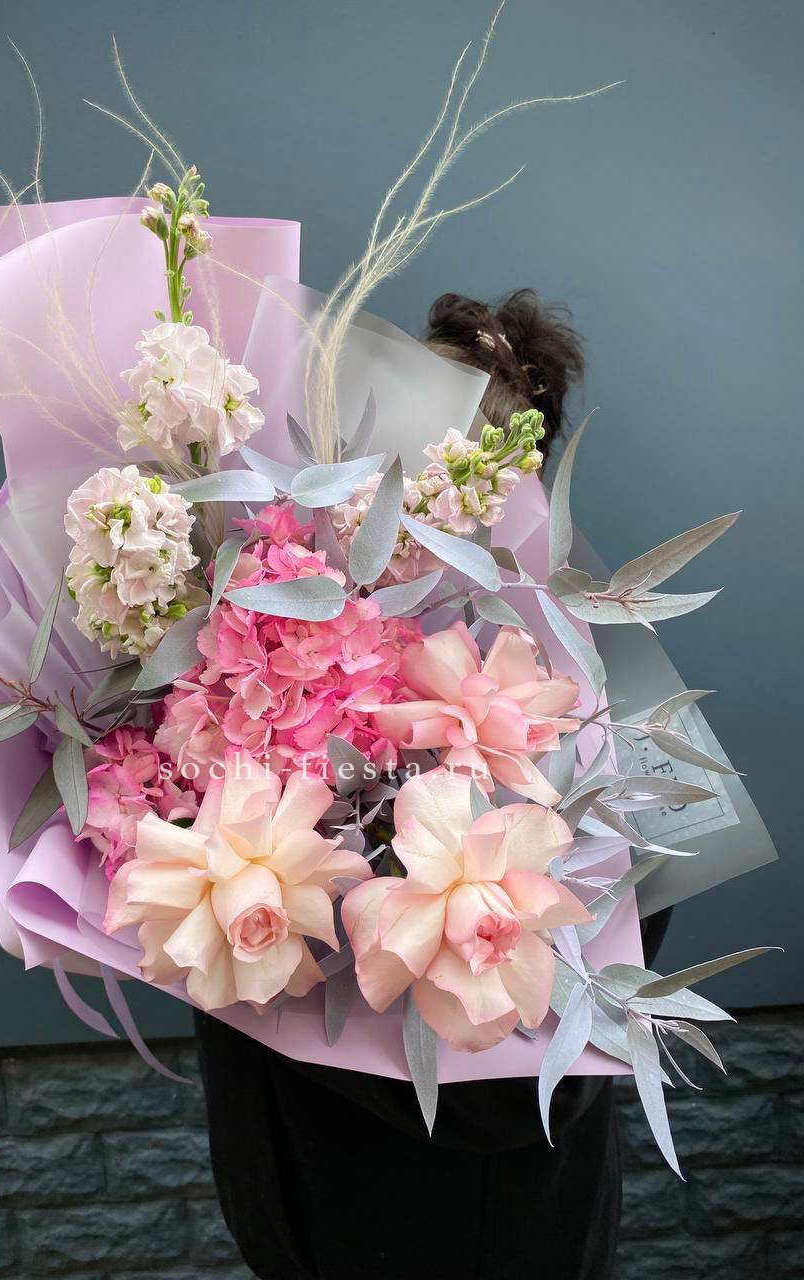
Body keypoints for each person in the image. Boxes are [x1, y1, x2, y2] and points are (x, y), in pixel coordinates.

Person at [195, 289, 668, 1280]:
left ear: (501, 490)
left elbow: (542, 1064)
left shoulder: (597, 717)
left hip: (477, 1231)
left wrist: (300, 964)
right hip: (291, 1203)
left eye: (421, 465)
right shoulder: (294, 648)